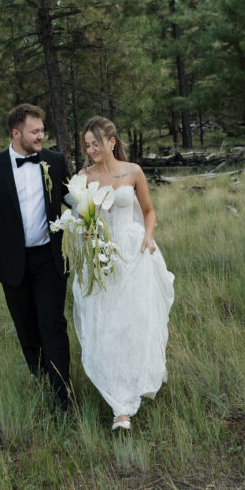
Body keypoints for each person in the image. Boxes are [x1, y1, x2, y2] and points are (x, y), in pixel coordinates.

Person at [71, 116, 174, 431]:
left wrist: (147, 236)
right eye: (87, 145)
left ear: (111, 141)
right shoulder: (83, 178)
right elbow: (81, 218)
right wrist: (86, 232)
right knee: (108, 325)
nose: (91, 150)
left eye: (96, 144)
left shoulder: (134, 172)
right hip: (103, 255)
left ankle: (131, 389)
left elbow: (148, 210)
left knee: (134, 322)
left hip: (133, 252)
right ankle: (120, 406)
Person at [0, 104, 72, 412]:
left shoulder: (55, 162)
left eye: (43, 130)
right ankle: (41, 378)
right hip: (11, 262)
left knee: (52, 325)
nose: (42, 136)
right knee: (26, 327)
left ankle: (62, 397)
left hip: (49, 258)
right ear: (16, 134)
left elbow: (72, 198)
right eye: (35, 131)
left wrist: (96, 217)